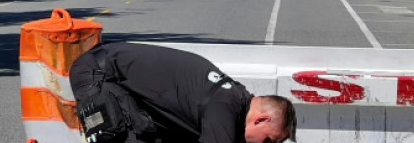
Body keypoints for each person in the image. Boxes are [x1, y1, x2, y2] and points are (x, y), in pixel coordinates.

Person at [70, 42, 297, 143]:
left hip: (117, 75)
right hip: (97, 74)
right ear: (261, 119)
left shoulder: (236, 98)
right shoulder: (225, 107)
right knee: (129, 137)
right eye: (269, 141)